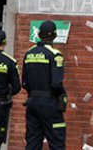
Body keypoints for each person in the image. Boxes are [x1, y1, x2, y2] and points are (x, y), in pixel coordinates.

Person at [23, 20, 66, 150]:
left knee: (33, 142)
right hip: (49, 103)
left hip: (32, 102)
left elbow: (24, 82)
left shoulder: (28, 53)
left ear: (39, 34)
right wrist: (63, 96)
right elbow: (56, 83)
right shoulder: (55, 54)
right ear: (54, 35)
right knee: (57, 141)